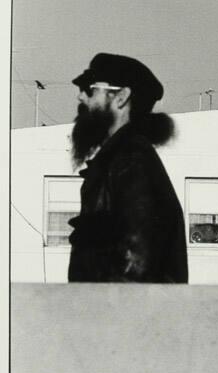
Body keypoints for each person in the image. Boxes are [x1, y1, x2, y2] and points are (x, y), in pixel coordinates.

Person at [67, 52, 188, 283]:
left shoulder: (131, 161)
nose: (81, 97)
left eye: (90, 89)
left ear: (121, 97)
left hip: (120, 315)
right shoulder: (118, 160)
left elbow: (139, 266)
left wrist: (96, 313)